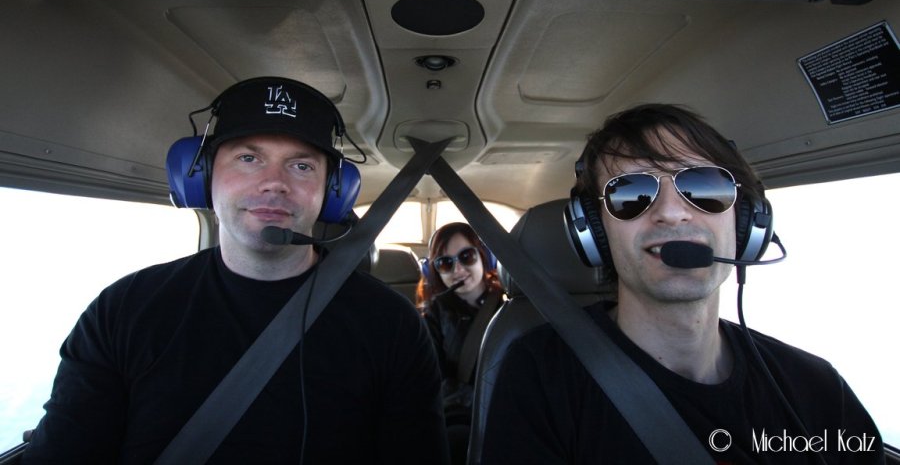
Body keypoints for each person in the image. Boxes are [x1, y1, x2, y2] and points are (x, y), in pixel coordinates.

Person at [22, 77, 450, 464]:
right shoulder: (121, 311)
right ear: (203, 175)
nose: (274, 182)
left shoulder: (391, 326)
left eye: (301, 165)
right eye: (248, 158)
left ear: (332, 192)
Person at [482, 104, 884, 464]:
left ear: (746, 221)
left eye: (705, 187)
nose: (672, 213)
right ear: (592, 231)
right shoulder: (541, 375)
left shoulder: (816, 387)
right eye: (631, 194)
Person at [417, 222, 505, 465]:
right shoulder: (433, 316)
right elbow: (433, 381)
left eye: (466, 256)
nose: (458, 269)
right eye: (446, 263)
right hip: (458, 418)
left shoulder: (511, 309)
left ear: (484, 257)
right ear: (434, 272)